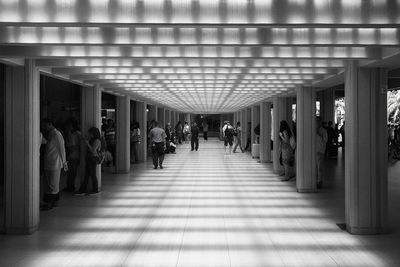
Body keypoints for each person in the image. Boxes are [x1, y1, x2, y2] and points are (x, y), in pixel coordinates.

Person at [41, 118, 67, 210]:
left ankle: (51, 203)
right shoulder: (50, 134)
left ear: (50, 124)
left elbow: (62, 149)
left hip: (55, 163)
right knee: (48, 183)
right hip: (49, 161)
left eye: (45, 125)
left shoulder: (57, 134)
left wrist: (64, 163)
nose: (44, 127)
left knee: (53, 184)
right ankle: (50, 202)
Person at [76, 127, 101, 195]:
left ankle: (94, 189)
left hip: (93, 158)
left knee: (92, 174)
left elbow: (93, 151)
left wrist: (87, 143)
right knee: (87, 174)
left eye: (90, 133)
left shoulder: (97, 140)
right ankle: (83, 189)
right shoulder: (92, 139)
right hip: (89, 158)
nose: (89, 135)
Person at [64, 119, 81, 192]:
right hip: (77, 155)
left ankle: (70, 187)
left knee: (71, 172)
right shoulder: (79, 133)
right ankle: (70, 186)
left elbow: (72, 146)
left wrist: (69, 153)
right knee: (72, 172)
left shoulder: (73, 134)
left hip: (73, 156)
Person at [316, 117, 328, 189]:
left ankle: (319, 181)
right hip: (314, 151)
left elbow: (325, 140)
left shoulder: (323, 131)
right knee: (314, 167)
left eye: (317, 121)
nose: (316, 123)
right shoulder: (313, 130)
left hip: (320, 151)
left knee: (319, 167)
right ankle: (315, 180)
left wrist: (318, 134)